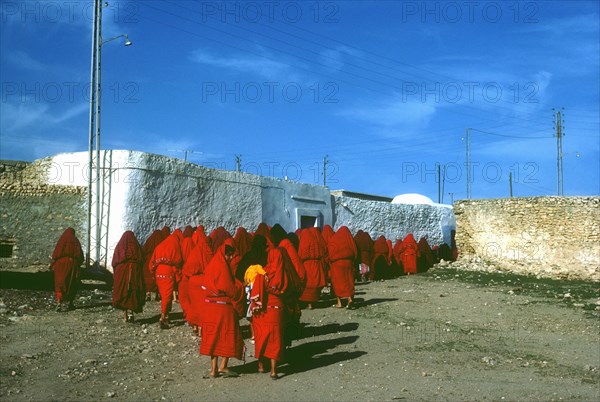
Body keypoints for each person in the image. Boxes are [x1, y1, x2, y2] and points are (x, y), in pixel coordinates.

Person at [200, 238, 244, 378]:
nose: (230, 257)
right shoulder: (222, 267)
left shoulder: (212, 265)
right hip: (223, 308)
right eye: (229, 255)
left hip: (209, 307)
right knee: (228, 335)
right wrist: (239, 286)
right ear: (223, 254)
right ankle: (223, 366)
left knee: (213, 337)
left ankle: (213, 370)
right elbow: (229, 289)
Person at [250, 248, 293, 379]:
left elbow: (256, 291)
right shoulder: (285, 274)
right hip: (277, 310)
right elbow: (288, 291)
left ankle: (261, 365)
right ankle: (274, 371)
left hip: (262, 311)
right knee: (275, 339)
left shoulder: (263, 273)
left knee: (261, 336)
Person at [183, 232, 213, 336]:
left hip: (193, 282)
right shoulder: (209, 253)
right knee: (203, 306)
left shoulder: (194, 252)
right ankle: (201, 329)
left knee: (194, 305)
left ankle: (195, 327)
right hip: (204, 281)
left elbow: (187, 270)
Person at [111, 231, 145, 323]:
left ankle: (125, 315)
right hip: (134, 271)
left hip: (122, 271)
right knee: (133, 291)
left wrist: (117, 272)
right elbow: (142, 259)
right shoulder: (136, 246)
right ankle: (131, 313)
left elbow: (114, 261)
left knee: (123, 291)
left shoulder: (120, 246)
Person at [150, 233, 183, 329]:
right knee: (167, 296)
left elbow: (153, 261)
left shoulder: (161, 245)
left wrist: (153, 273)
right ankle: (163, 317)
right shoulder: (175, 245)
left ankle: (166, 315)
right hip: (168, 273)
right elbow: (178, 260)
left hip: (159, 272)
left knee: (165, 295)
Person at [50, 227, 84, 312]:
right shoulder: (75, 240)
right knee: (72, 283)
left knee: (60, 283)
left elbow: (55, 254)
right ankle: (70, 303)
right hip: (72, 264)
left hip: (60, 265)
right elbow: (80, 255)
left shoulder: (61, 240)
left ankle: (59, 302)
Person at [327, 226, 358, 309]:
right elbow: (355, 251)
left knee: (337, 282)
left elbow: (330, 250)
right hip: (348, 262)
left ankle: (339, 302)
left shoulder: (335, 239)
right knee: (349, 280)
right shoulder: (350, 240)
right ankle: (350, 299)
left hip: (337, 264)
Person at [297, 227, 328, 310]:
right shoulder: (316, 242)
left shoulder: (304, 242)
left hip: (307, 265)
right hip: (317, 264)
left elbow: (300, 254)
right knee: (315, 284)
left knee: (308, 284)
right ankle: (313, 301)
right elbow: (323, 252)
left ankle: (309, 304)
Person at [142, 229, 165, 301]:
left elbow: (144, 249)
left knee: (147, 278)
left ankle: (148, 294)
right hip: (156, 260)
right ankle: (157, 294)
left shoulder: (149, 240)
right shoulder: (162, 241)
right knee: (156, 277)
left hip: (148, 261)